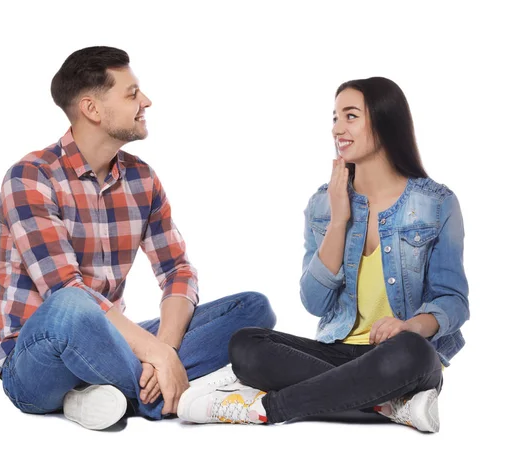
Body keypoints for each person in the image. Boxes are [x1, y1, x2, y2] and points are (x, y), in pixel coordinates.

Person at [0, 46, 276, 430]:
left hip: (109, 343)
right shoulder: (30, 178)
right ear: (92, 109)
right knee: (71, 306)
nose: (146, 101)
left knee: (253, 310)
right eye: (132, 94)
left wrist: (166, 349)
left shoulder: (142, 178)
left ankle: (110, 392)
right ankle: (164, 399)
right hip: (37, 358)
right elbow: (64, 288)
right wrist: (154, 352)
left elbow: (176, 269)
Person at [177, 77, 469, 433]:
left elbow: (452, 300)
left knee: (414, 353)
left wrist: (409, 327)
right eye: (334, 118)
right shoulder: (322, 204)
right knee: (245, 344)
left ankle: (267, 408)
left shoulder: (437, 204)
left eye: (350, 116)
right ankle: (392, 405)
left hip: (399, 355)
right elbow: (314, 302)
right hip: (335, 351)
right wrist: (339, 219)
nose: (337, 129)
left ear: (384, 121)